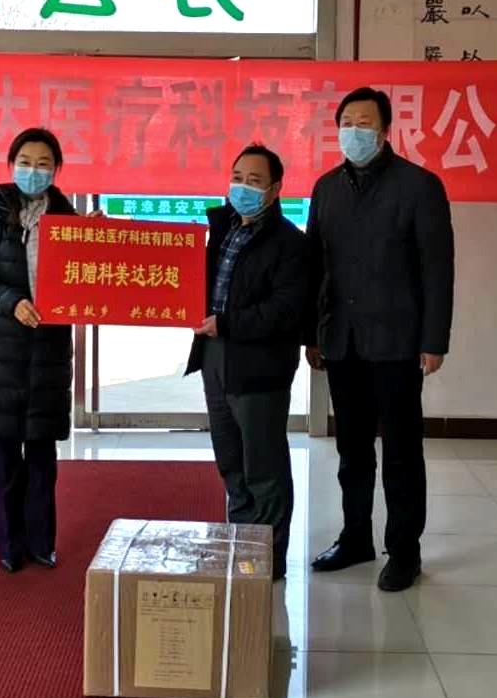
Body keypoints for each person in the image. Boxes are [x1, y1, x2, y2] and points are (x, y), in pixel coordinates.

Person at [305, 87, 455, 592]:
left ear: (386, 130)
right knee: (351, 451)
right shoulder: (326, 188)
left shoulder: (419, 186)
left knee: (401, 452)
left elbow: (438, 269)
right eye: (346, 122)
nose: (354, 131)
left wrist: (434, 340)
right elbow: (315, 267)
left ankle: (405, 550)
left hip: (397, 341)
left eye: (364, 122)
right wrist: (312, 334)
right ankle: (355, 538)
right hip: (341, 340)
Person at [185, 144, 308, 582]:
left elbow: (286, 310)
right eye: (237, 177)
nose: (243, 187)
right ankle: (241, 547)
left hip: (260, 366)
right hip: (216, 358)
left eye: (254, 181)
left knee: (264, 468)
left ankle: (268, 563)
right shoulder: (223, 231)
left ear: (275, 189)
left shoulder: (291, 243)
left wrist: (228, 323)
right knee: (231, 462)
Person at [0, 127, 78, 574]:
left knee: (43, 457)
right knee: (5, 456)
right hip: (1, 350)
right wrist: (11, 302)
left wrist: (96, 238)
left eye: (43, 163)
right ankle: (8, 546)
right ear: (12, 165)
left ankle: (42, 543)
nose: (34, 170)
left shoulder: (66, 216)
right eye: (26, 162)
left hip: (48, 351)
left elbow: (83, 274)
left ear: (56, 169)